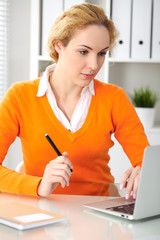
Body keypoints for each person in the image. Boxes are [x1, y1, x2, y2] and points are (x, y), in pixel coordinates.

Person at [0, 3, 149, 198]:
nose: (94, 65)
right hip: (40, 213)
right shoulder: (20, 97)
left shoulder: (114, 98)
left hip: (99, 212)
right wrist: (39, 185)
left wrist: (141, 173)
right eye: (84, 52)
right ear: (59, 45)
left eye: (102, 53)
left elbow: (147, 164)